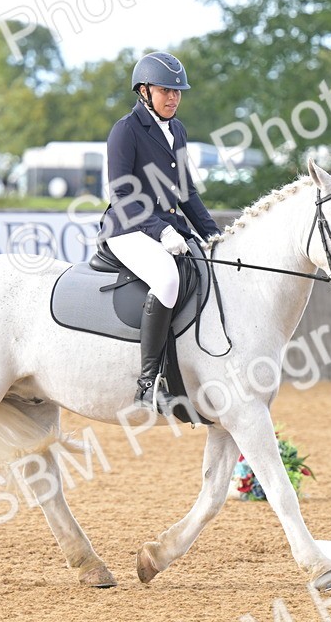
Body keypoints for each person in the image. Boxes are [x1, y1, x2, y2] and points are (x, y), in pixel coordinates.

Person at [98, 52, 222, 414]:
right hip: (127, 227)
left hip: (167, 229)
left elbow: (186, 193)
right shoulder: (126, 130)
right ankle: (148, 382)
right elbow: (121, 196)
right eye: (165, 90)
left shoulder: (178, 130)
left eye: (177, 92)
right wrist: (161, 230)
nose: (173, 98)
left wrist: (214, 235)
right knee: (167, 279)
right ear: (144, 91)